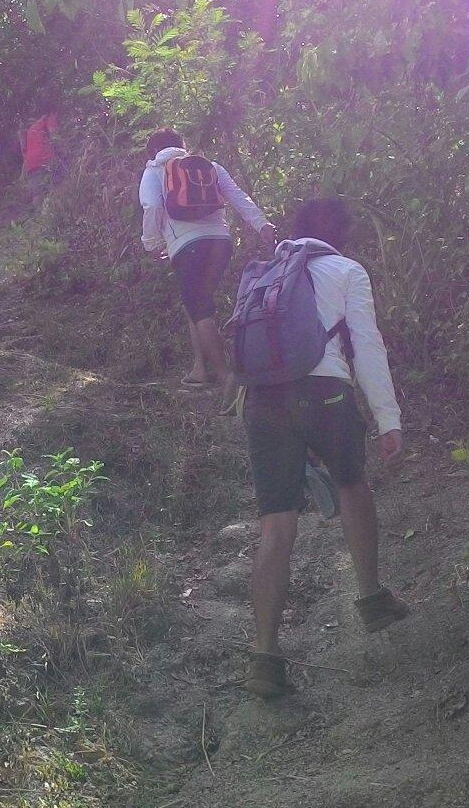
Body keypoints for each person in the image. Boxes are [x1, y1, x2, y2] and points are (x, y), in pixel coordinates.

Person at [242, 198, 408, 698]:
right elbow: (367, 344)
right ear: (341, 234)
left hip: (262, 399)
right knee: (352, 482)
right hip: (325, 393)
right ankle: (372, 598)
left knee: (275, 523)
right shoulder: (346, 269)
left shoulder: (264, 272)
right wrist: (388, 419)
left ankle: (265, 659)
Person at [139, 128, 276, 409]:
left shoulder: (154, 170)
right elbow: (238, 196)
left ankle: (227, 379)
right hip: (220, 242)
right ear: (183, 146)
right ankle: (199, 369)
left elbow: (152, 205)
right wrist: (261, 224)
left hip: (187, 246)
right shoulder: (209, 167)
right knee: (198, 301)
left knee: (200, 307)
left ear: (151, 151)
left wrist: (152, 243)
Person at [20, 110, 58, 204]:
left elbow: (26, 151)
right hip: (44, 159)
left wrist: (23, 171)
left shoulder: (31, 129)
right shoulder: (49, 117)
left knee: (37, 193)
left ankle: (36, 216)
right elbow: (54, 136)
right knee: (50, 188)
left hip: (31, 164)